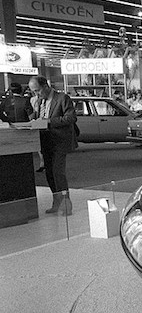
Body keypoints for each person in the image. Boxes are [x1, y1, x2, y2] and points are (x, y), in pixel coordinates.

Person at [29, 76, 78, 215]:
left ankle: (66, 205)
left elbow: (71, 118)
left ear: (45, 86)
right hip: (45, 141)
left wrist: (48, 121)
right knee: (50, 173)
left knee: (58, 173)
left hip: (60, 141)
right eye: (33, 92)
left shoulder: (62, 98)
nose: (36, 94)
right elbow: (37, 115)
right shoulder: (39, 101)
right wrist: (31, 118)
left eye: (37, 90)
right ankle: (56, 202)